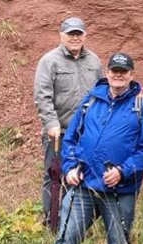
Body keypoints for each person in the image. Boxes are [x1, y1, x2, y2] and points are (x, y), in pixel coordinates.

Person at [39, 52, 143, 244]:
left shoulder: (142, 105)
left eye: (123, 71)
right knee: (65, 239)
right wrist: (70, 167)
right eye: (114, 70)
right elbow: (70, 138)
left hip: (120, 191)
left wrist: (123, 171)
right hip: (83, 186)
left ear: (131, 75)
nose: (118, 75)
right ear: (107, 72)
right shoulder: (90, 101)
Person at [34, 17, 103, 228]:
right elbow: (42, 95)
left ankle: (75, 222)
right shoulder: (49, 61)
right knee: (55, 176)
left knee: (81, 175)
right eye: (70, 34)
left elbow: (100, 93)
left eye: (79, 33)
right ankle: (52, 221)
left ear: (85, 35)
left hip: (86, 133)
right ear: (61, 36)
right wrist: (51, 123)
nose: (75, 37)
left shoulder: (94, 61)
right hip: (60, 132)